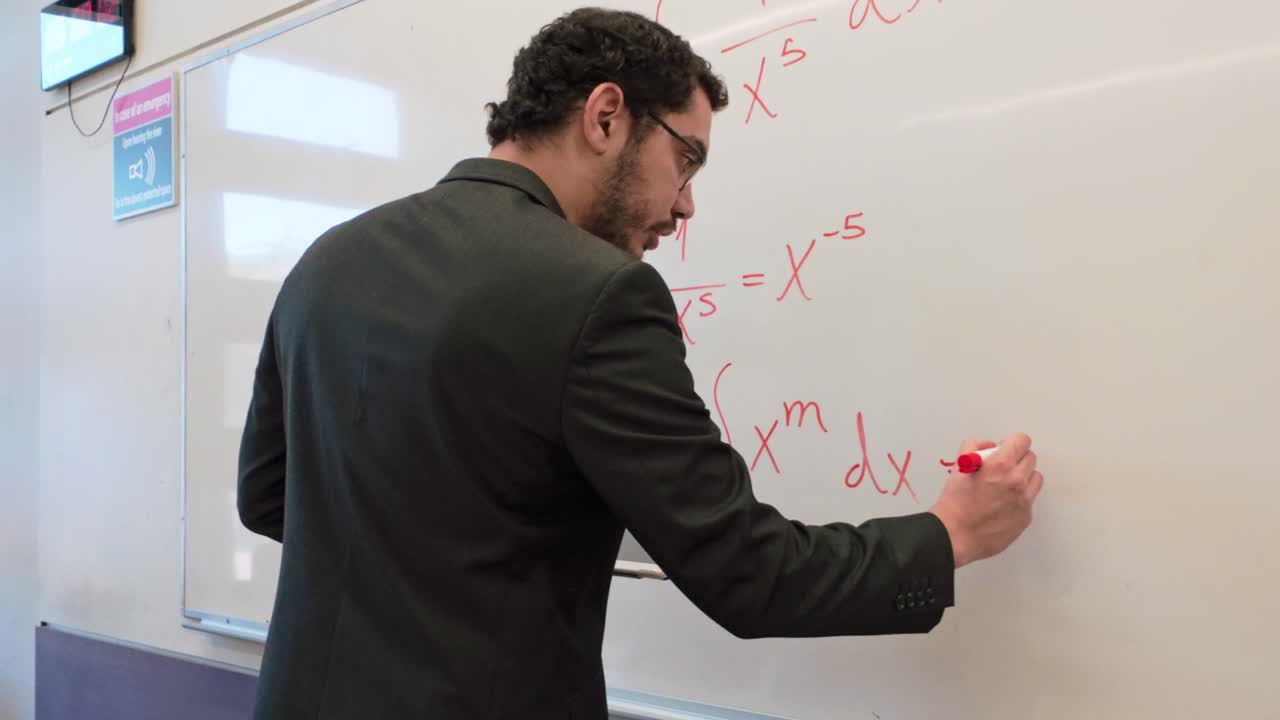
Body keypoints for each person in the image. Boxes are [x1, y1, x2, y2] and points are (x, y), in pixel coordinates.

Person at [236, 7, 1044, 719]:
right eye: (685, 159)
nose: (686, 202)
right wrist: (949, 534)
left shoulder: (327, 261)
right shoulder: (597, 294)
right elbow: (747, 572)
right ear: (606, 116)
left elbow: (268, 497)